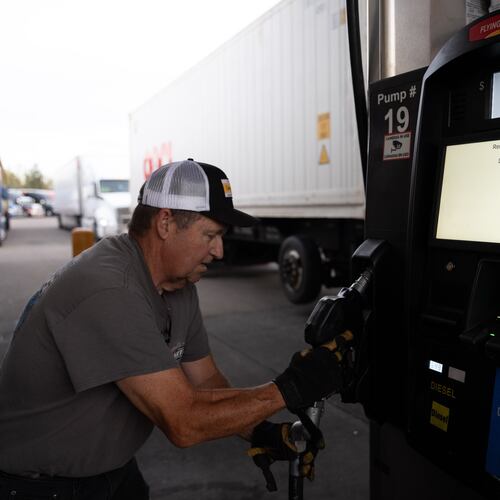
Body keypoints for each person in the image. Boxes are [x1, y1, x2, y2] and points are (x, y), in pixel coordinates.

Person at [0, 159, 351, 499]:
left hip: (113, 472)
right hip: (42, 486)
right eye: (210, 235)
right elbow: (184, 422)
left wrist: (260, 430)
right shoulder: (110, 288)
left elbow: (207, 384)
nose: (219, 250)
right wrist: (289, 389)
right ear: (165, 223)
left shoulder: (178, 286)